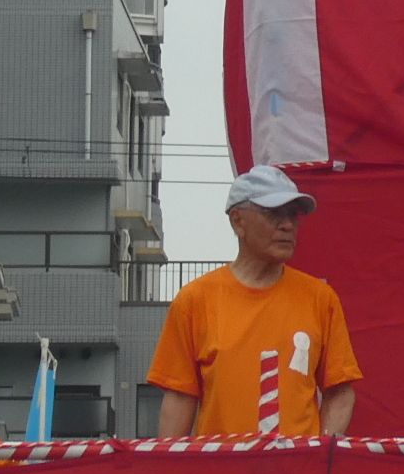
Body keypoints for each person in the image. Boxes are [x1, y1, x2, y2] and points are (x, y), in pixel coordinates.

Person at [147, 166, 361, 438]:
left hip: (297, 473)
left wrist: (320, 453)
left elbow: (341, 392)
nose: (288, 225)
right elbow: (180, 398)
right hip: (220, 472)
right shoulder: (195, 301)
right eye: (274, 214)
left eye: (293, 215)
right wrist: (171, 473)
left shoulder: (320, 299)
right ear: (238, 221)